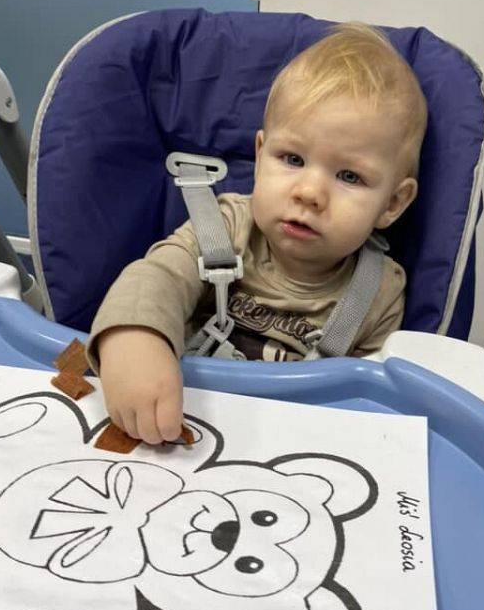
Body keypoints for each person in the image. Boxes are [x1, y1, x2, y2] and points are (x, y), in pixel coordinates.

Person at [87, 22, 427, 445]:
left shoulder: (378, 293)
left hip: (289, 441)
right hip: (181, 420)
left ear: (393, 203)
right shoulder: (224, 226)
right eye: (293, 159)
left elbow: (367, 409)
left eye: (349, 176)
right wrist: (137, 338)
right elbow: (157, 278)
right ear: (261, 154)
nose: (309, 193)